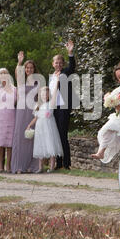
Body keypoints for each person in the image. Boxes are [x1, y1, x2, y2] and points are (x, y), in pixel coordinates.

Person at [49, 40, 77, 170]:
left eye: (60, 62)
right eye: (56, 62)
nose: (58, 64)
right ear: (53, 64)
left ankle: (66, 163)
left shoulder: (66, 72)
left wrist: (70, 53)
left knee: (62, 135)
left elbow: (72, 66)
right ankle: (58, 163)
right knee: (55, 135)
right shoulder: (51, 76)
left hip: (63, 108)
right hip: (53, 107)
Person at [11, 51, 39, 174]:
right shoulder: (21, 80)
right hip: (21, 112)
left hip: (32, 111)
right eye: (27, 68)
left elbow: (41, 97)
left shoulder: (38, 82)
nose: (28, 69)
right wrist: (20, 62)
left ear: (34, 69)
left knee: (32, 138)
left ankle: (31, 166)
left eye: (31, 67)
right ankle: (18, 166)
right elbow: (17, 72)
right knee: (19, 137)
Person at [26, 82, 63, 173]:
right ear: (40, 95)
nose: (44, 96)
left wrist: (57, 82)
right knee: (40, 145)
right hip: (40, 127)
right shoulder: (37, 106)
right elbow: (36, 117)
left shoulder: (51, 103)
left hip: (49, 127)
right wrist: (29, 125)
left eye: (46, 94)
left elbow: (55, 94)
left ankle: (52, 167)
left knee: (51, 144)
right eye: (42, 94)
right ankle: (40, 167)